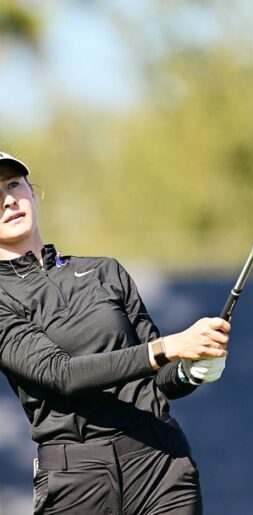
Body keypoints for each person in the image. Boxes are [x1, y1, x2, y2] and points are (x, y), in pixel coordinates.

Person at [0, 151, 231, 514]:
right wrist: (169, 346)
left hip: (160, 465)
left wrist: (191, 369)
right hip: (76, 478)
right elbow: (62, 375)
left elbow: (160, 379)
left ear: (32, 191)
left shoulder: (105, 272)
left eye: (14, 185)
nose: (8, 200)